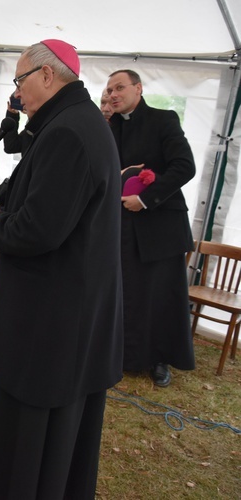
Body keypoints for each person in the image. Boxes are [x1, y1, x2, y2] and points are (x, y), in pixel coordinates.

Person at [0, 40, 123, 499]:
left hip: (51, 310)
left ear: (47, 75)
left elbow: (40, 230)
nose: (18, 93)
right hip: (70, 303)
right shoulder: (76, 122)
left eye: (19, 81)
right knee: (60, 421)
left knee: (35, 420)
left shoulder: (67, 132)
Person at [107, 69, 196, 387]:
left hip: (160, 224)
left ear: (138, 89)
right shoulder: (109, 127)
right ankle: (125, 354)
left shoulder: (164, 119)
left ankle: (160, 359)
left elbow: (184, 166)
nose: (114, 94)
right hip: (123, 226)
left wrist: (144, 199)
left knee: (161, 296)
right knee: (128, 292)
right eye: (109, 90)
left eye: (120, 87)